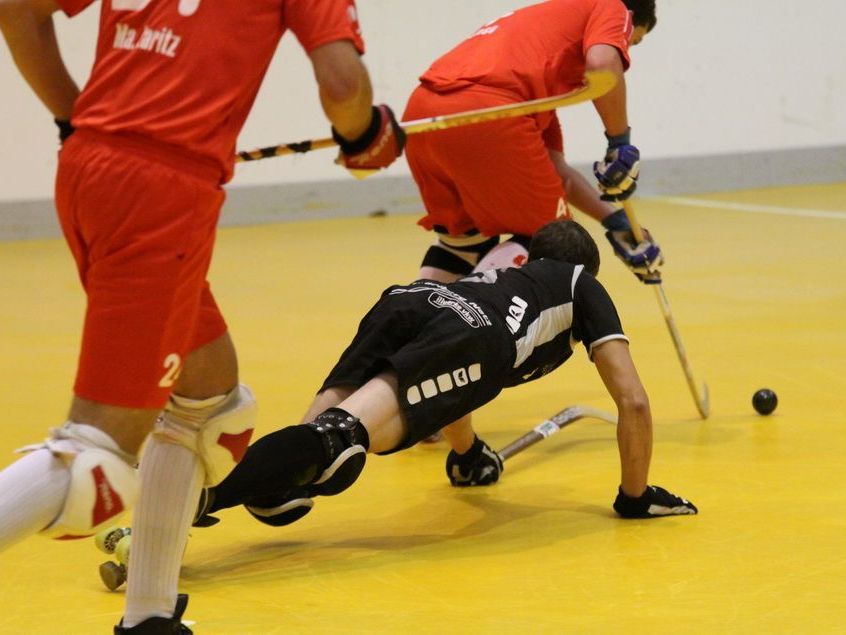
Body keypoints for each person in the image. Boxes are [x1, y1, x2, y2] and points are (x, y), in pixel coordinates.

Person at [0, 0, 404, 631]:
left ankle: (151, 615)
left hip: (88, 173)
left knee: (210, 400)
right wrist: (365, 134)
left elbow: (18, 11)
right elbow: (344, 85)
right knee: (94, 455)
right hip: (161, 196)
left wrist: (73, 117)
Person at [194, 219, 697, 534]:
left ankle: (268, 479)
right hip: (475, 328)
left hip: (411, 298)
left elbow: (458, 386)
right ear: (586, 269)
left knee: (324, 423)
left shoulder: (505, 275)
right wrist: (635, 497)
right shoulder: (579, 284)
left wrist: (468, 452)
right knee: (341, 438)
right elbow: (632, 401)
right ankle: (198, 497)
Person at [403, 0, 662, 286]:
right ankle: (470, 321)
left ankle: (416, 323)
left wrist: (615, 222)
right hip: (490, 110)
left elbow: (556, 173)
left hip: (422, 114)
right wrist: (619, 142)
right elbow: (602, 63)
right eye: (631, 42)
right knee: (561, 248)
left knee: (462, 244)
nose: (624, 50)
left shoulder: (533, 63)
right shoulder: (611, 5)